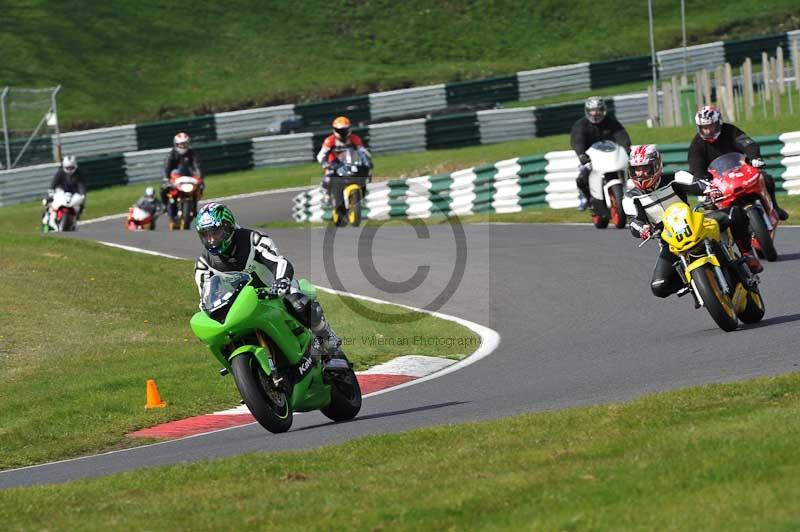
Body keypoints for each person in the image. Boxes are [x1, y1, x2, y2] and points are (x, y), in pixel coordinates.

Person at [193, 202, 342, 356]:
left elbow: (279, 262)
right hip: (239, 308)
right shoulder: (204, 264)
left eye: (215, 233)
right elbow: (205, 297)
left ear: (228, 227)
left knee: (299, 303)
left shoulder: (253, 240)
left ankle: (329, 340)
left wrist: (282, 281)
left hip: (273, 293)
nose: (211, 240)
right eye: (206, 235)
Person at [626, 144, 762, 300]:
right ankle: (695, 283)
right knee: (659, 286)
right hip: (669, 241)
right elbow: (634, 221)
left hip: (695, 224)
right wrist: (642, 228)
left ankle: (747, 253)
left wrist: (709, 189)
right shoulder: (631, 197)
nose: (641, 174)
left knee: (735, 213)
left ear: (656, 166)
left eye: (645, 168)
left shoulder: (675, 177)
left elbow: (696, 183)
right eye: (636, 169)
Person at [689, 105, 788, 221]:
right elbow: (696, 165)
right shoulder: (697, 144)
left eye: (711, 126)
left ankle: (774, 208)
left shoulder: (730, 131)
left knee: (766, 179)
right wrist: (703, 181)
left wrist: (755, 157)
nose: (708, 130)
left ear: (718, 123)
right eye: (704, 127)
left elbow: (747, 143)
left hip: (741, 170)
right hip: (717, 182)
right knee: (710, 206)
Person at [570, 96, 632, 211]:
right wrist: (581, 154)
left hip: (610, 156)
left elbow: (621, 134)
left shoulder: (611, 121)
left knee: (631, 169)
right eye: (592, 110)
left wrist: (627, 147)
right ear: (587, 111)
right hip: (590, 158)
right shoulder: (581, 125)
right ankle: (586, 198)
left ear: (603, 110)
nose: (595, 113)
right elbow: (577, 140)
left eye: (598, 110)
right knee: (582, 178)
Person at [316, 116, 372, 199]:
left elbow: (363, 152)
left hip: (351, 162)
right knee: (329, 176)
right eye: (340, 130)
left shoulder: (354, 138)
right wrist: (325, 164)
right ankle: (326, 193)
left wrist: (367, 162)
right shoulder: (330, 140)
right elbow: (321, 155)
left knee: (365, 171)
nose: (342, 132)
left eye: (344, 130)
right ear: (335, 130)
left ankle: (363, 188)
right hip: (334, 164)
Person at [160, 132, 204, 218]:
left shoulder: (192, 153)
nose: (183, 146)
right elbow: (166, 167)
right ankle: (165, 206)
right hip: (175, 178)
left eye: (185, 144)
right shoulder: (171, 154)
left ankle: (194, 207)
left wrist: (199, 176)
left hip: (189, 178)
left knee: (201, 186)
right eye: (181, 144)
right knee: (164, 188)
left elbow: (197, 165)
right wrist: (166, 177)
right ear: (176, 144)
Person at [42, 155, 87, 222]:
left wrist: (82, 194)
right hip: (61, 190)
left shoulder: (79, 173)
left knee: (81, 203)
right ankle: (48, 215)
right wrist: (51, 191)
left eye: (71, 168)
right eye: (67, 168)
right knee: (48, 200)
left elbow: (81, 185)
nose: (69, 170)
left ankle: (76, 215)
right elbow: (54, 182)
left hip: (74, 191)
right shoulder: (60, 172)